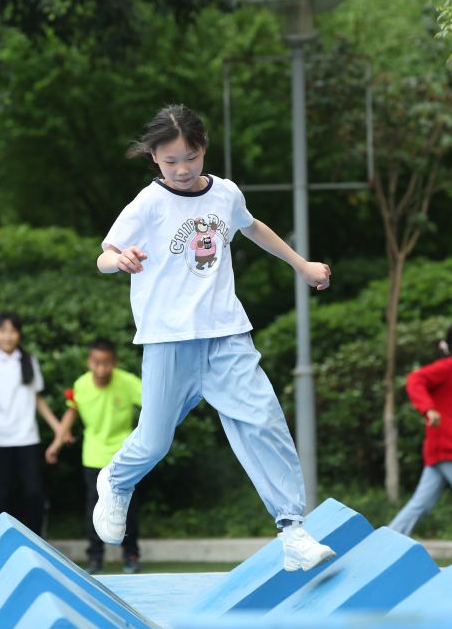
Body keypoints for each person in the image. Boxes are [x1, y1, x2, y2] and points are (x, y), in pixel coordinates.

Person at [93, 104, 335, 572]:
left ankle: (292, 531)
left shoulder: (225, 193)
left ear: (204, 148)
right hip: (168, 338)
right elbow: (105, 253)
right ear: (154, 158)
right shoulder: (148, 204)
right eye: (170, 161)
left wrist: (301, 265)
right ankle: (117, 481)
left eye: (191, 157)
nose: (182, 169)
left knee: (264, 421)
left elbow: (253, 226)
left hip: (227, 333)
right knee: (154, 441)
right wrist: (118, 261)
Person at [388, 320, 452, 566]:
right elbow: (415, 380)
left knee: (421, 504)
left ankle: (384, 545)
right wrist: (428, 409)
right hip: (447, 446)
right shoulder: (449, 367)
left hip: (449, 447)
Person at [46, 338, 142, 574]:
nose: (101, 369)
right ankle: (95, 558)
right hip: (93, 456)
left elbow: (153, 406)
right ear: (89, 362)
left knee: (128, 507)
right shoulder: (81, 385)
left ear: (114, 363)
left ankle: (131, 555)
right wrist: (57, 442)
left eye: (106, 363)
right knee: (94, 506)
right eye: (96, 363)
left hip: (124, 456)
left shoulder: (128, 382)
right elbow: (71, 412)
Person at [0, 312, 60, 535]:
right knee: (0, 495)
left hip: (26, 436)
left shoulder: (28, 360)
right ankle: (2, 540)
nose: (7, 336)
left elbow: (37, 399)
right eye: (2, 331)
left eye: (12, 331)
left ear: (19, 334)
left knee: (33, 491)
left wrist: (58, 428)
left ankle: (35, 539)